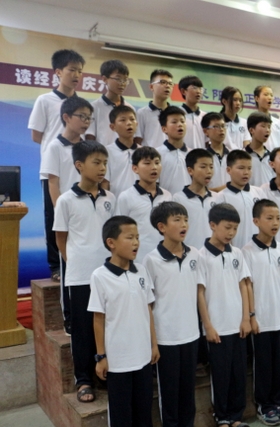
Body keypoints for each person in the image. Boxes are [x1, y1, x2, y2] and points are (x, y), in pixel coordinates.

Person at [53, 141, 116, 403]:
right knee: (83, 329)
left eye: (105, 163)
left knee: (109, 325)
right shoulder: (66, 200)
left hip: (108, 272)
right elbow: (60, 239)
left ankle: (106, 374)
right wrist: (76, 263)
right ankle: (84, 379)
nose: (102, 168)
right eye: (96, 162)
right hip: (80, 276)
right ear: (79, 165)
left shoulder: (110, 198)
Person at [89, 216, 158, 427]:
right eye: (130, 238)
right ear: (111, 242)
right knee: (121, 415)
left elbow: (148, 309)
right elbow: (98, 319)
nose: (136, 243)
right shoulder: (100, 276)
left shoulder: (141, 271)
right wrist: (101, 356)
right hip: (118, 361)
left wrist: (154, 344)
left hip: (143, 356)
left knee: (144, 412)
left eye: (137, 237)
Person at [29, 49, 84, 284]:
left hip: (79, 170)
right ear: (59, 72)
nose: (77, 75)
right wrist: (58, 151)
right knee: (54, 217)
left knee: (79, 216)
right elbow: (37, 135)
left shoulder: (82, 105)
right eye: (72, 70)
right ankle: (56, 265)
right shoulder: (45, 100)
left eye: (80, 71)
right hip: (53, 169)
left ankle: (78, 261)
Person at [144, 202, 201, 426]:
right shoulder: (151, 260)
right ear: (162, 227)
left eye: (185, 219)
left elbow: (199, 292)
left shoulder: (194, 254)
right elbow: (148, 304)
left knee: (188, 390)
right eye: (177, 220)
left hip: (191, 334)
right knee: (169, 392)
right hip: (166, 337)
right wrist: (153, 342)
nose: (184, 224)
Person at [197, 203, 252, 427]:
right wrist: (208, 326)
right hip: (217, 327)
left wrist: (246, 318)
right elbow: (200, 293)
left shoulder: (236, 253)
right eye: (227, 227)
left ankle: (236, 416)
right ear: (212, 225)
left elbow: (243, 285)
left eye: (235, 229)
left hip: (238, 325)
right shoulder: (201, 256)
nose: (231, 233)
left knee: (238, 373)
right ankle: (222, 417)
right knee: (221, 375)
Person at [242, 200, 280, 425]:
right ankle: (264, 406)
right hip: (261, 320)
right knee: (263, 365)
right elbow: (247, 285)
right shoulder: (247, 251)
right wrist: (252, 315)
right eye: (269, 218)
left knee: (279, 363)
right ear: (256, 221)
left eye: (278, 218)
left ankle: (278, 402)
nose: (275, 223)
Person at [115, 146, 172, 261]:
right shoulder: (126, 197)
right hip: (137, 258)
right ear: (135, 168)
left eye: (157, 163)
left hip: (163, 257)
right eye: (147, 163)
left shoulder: (167, 196)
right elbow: (120, 230)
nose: (154, 167)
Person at [42, 97, 93, 207]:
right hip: (67, 207)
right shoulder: (55, 147)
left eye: (89, 118)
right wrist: (60, 210)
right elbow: (53, 184)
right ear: (66, 117)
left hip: (87, 206)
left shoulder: (89, 148)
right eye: (82, 116)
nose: (86, 121)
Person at [214, 150, 267, 248]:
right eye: (241, 168)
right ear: (229, 170)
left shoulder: (259, 192)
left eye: (249, 168)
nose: (246, 172)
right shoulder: (222, 197)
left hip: (258, 249)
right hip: (236, 249)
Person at [172, 148, 215, 249]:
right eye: (203, 167)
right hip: (188, 253)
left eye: (211, 167)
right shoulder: (178, 199)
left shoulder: (217, 198)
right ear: (190, 170)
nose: (209, 171)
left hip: (212, 254)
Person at [86, 59, 134, 146]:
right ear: (105, 79)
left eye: (125, 80)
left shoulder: (130, 108)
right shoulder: (93, 107)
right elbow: (90, 136)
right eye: (118, 79)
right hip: (101, 153)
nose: (122, 83)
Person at [103, 105, 139, 197]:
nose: (129, 123)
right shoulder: (106, 152)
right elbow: (105, 182)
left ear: (137, 124)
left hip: (140, 202)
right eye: (123, 120)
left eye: (132, 119)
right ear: (112, 127)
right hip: (116, 201)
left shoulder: (144, 152)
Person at [156, 106, 191, 195]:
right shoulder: (156, 154)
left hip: (189, 201)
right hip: (165, 201)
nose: (180, 124)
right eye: (174, 122)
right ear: (164, 129)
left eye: (182, 121)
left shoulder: (193, 154)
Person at [136, 69, 173, 147]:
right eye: (162, 82)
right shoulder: (141, 113)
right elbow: (137, 141)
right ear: (151, 86)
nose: (167, 86)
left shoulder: (174, 114)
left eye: (170, 83)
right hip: (149, 154)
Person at [245, 112, 275, 187]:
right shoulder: (242, 155)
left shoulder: (272, 157)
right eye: (263, 126)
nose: (267, 130)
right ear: (251, 130)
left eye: (269, 127)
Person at [202, 112, 230, 189]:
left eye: (223, 126)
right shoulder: (201, 157)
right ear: (205, 131)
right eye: (216, 126)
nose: (221, 129)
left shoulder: (233, 154)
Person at [179, 75, 207, 149]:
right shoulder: (176, 114)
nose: (198, 91)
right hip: (181, 154)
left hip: (201, 155)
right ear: (183, 91)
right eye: (194, 88)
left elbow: (207, 141)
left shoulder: (205, 116)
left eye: (200, 88)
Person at [254, 85, 280, 150]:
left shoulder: (277, 122)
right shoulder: (252, 121)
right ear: (257, 98)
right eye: (266, 94)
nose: (269, 97)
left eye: (271, 95)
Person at [220, 86, 251, 150]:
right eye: (235, 100)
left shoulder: (244, 122)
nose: (238, 103)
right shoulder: (218, 122)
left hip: (240, 155)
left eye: (240, 100)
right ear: (224, 101)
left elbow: (246, 143)